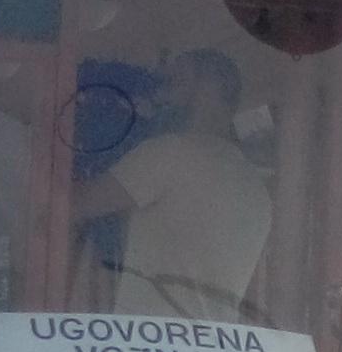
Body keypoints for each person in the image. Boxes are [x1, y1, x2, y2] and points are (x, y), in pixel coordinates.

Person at [73, 49, 273, 321]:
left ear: (207, 89)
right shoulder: (257, 190)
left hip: (147, 349)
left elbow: (68, 206)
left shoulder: (170, 153)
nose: (159, 96)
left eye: (174, 83)